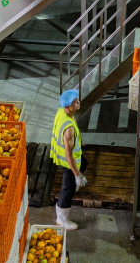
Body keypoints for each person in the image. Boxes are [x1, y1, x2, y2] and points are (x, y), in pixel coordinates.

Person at [51, 89, 87, 230]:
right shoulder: (69, 129)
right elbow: (68, 154)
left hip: (69, 157)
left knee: (84, 162)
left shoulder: (61, 111)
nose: (78, 103)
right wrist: (77, 175)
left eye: (77, 100)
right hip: (68, 163)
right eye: (74, 102)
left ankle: (75, 181)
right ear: (67, 106)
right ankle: (62, 219)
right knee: (68, 189)